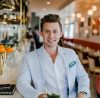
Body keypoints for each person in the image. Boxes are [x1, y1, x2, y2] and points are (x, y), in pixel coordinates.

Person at [16, 14, 90, 98]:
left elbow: (82, 76)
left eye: (55, 31)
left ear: (61, 34)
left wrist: (82, 93)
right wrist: (37, 95)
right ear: (41, 33)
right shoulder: (29, 58)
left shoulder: (71, 54)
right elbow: (21, 82)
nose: (51, 36)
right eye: (47, 31)